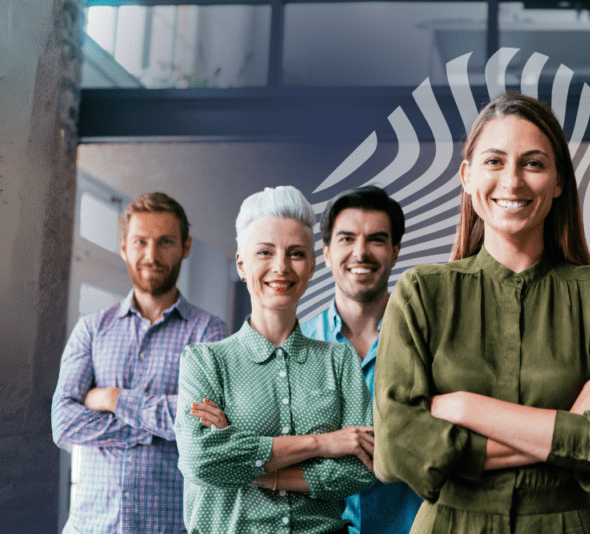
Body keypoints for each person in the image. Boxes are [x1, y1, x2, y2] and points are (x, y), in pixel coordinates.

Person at [374, 91, 590, 534]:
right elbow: (397, 451)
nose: (512, 182)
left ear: (559, 180)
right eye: (494, 161)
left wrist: (466, 408)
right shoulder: (421, 293)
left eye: (533, 163)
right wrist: (573, 426)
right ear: (467, 177)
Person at [174, 186, 375, 533]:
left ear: (311, 267)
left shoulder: (339, 360)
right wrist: (324, 444)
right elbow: (201, 460)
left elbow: (361, 468)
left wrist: (261, 469)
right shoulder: (205, 362)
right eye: (265, 252)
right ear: (242, 263)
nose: (281, 267)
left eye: (296, 253)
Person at [51, 192, 229, 534]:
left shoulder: (209, 331)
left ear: (186, 247)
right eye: (140, 242)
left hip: (170, 527)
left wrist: (113, 399)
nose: (151, 255)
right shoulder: (92, 329)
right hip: (92, 526)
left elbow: (206, 426)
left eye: (165, 242)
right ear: (123, 247)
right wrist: (163, 426)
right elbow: (64, 422)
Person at [301, 186, 422, 534]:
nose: (361, 252)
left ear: (395, 251)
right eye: (347, 238)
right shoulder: (297, 345)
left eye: (377, 240)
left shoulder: (427, 342)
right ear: (325, 252)